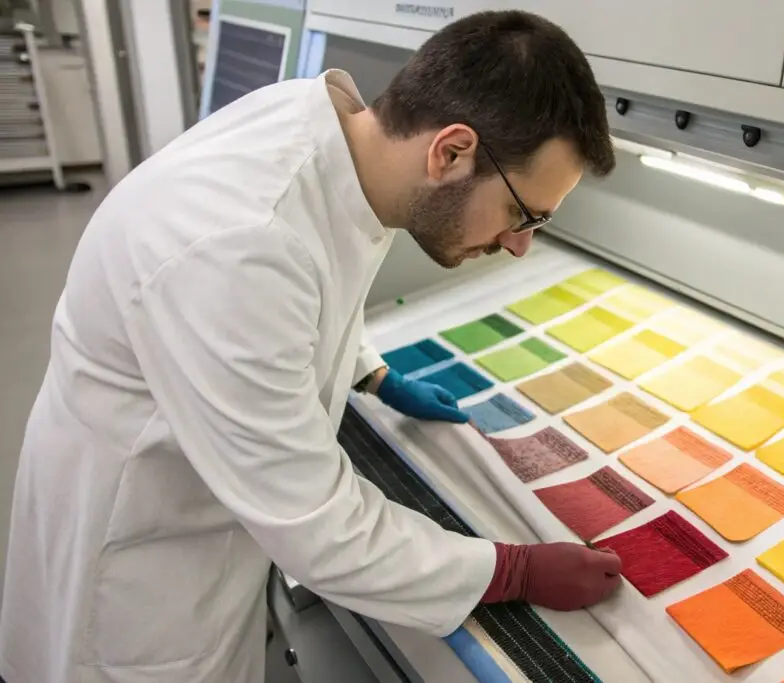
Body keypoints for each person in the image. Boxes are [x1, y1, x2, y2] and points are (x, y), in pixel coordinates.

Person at [0, 9, 621, 683]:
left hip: (207, 507)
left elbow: (307, 276)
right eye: (522, 214)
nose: (519, 245)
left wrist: (369, 372)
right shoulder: (238, 244)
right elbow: (321, 530)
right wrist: (511, 568)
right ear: (450, 151)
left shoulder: (336, 136)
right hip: (140, 578)